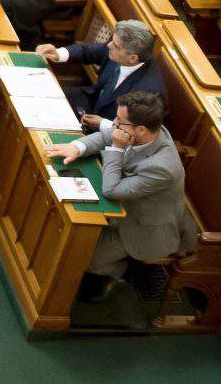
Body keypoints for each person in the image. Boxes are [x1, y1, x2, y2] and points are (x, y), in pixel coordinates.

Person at [48, 92, 196, 300]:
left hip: (141, 227)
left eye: (120, 121)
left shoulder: (162, 168)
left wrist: (117, 148)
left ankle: (125, 273)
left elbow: (112, 190)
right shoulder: (143, 130)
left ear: (141, 130)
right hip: (125, 206)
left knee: (87, 258)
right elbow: (105, 135)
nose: (114, 123)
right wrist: (77, 147)